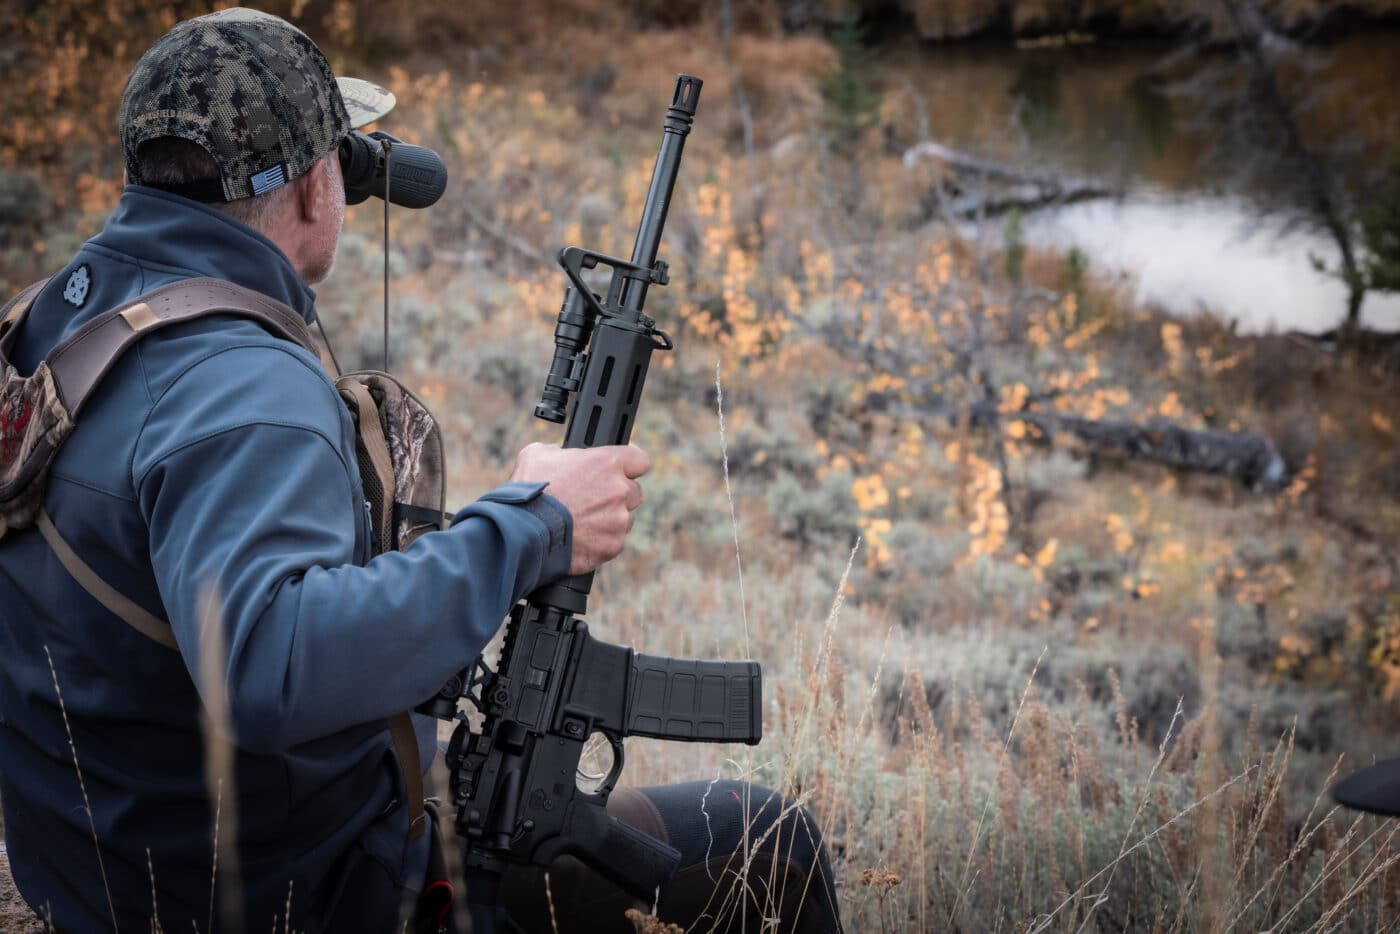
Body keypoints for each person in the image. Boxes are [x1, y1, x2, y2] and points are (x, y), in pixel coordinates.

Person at [0, 9, 840, 933]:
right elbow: (271, 666)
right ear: (322, 186)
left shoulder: (50, 329)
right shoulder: (241, 388)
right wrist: (532, 525)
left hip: (115, 874)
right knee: (771, 838)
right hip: (305, 894)